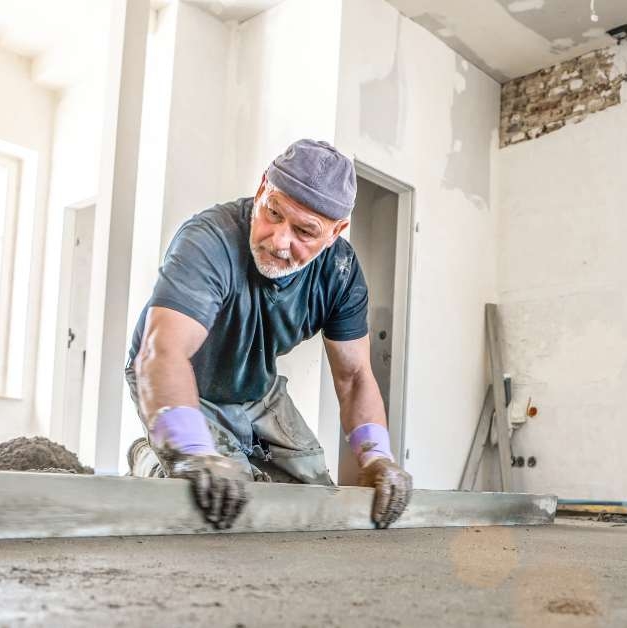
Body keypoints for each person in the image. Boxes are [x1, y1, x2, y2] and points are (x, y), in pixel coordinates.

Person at [126, 139, 412, 530]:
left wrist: (378, 457)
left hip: (256, 384)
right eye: (272, 212)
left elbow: (355, 376)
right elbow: (162, 352)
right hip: (184, 379)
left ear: (336, 232)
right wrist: (189, 451)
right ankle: (151, 456)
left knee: (314, 494)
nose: (279, 240)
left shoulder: (340, 273)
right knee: (222, 499)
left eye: (304, 231)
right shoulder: (209, 240)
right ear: (262, 187)